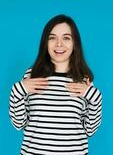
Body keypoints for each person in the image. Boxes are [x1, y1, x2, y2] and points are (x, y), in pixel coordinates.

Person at [9, 14, 102, 155]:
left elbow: (90, 130)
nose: (59, 44)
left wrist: (95, 97)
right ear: (45, 42)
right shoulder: (31, 74)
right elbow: (19, 124)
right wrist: (18, 90)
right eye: (52, 38)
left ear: (74, 43)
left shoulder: (83, 79)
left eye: (66, 38)